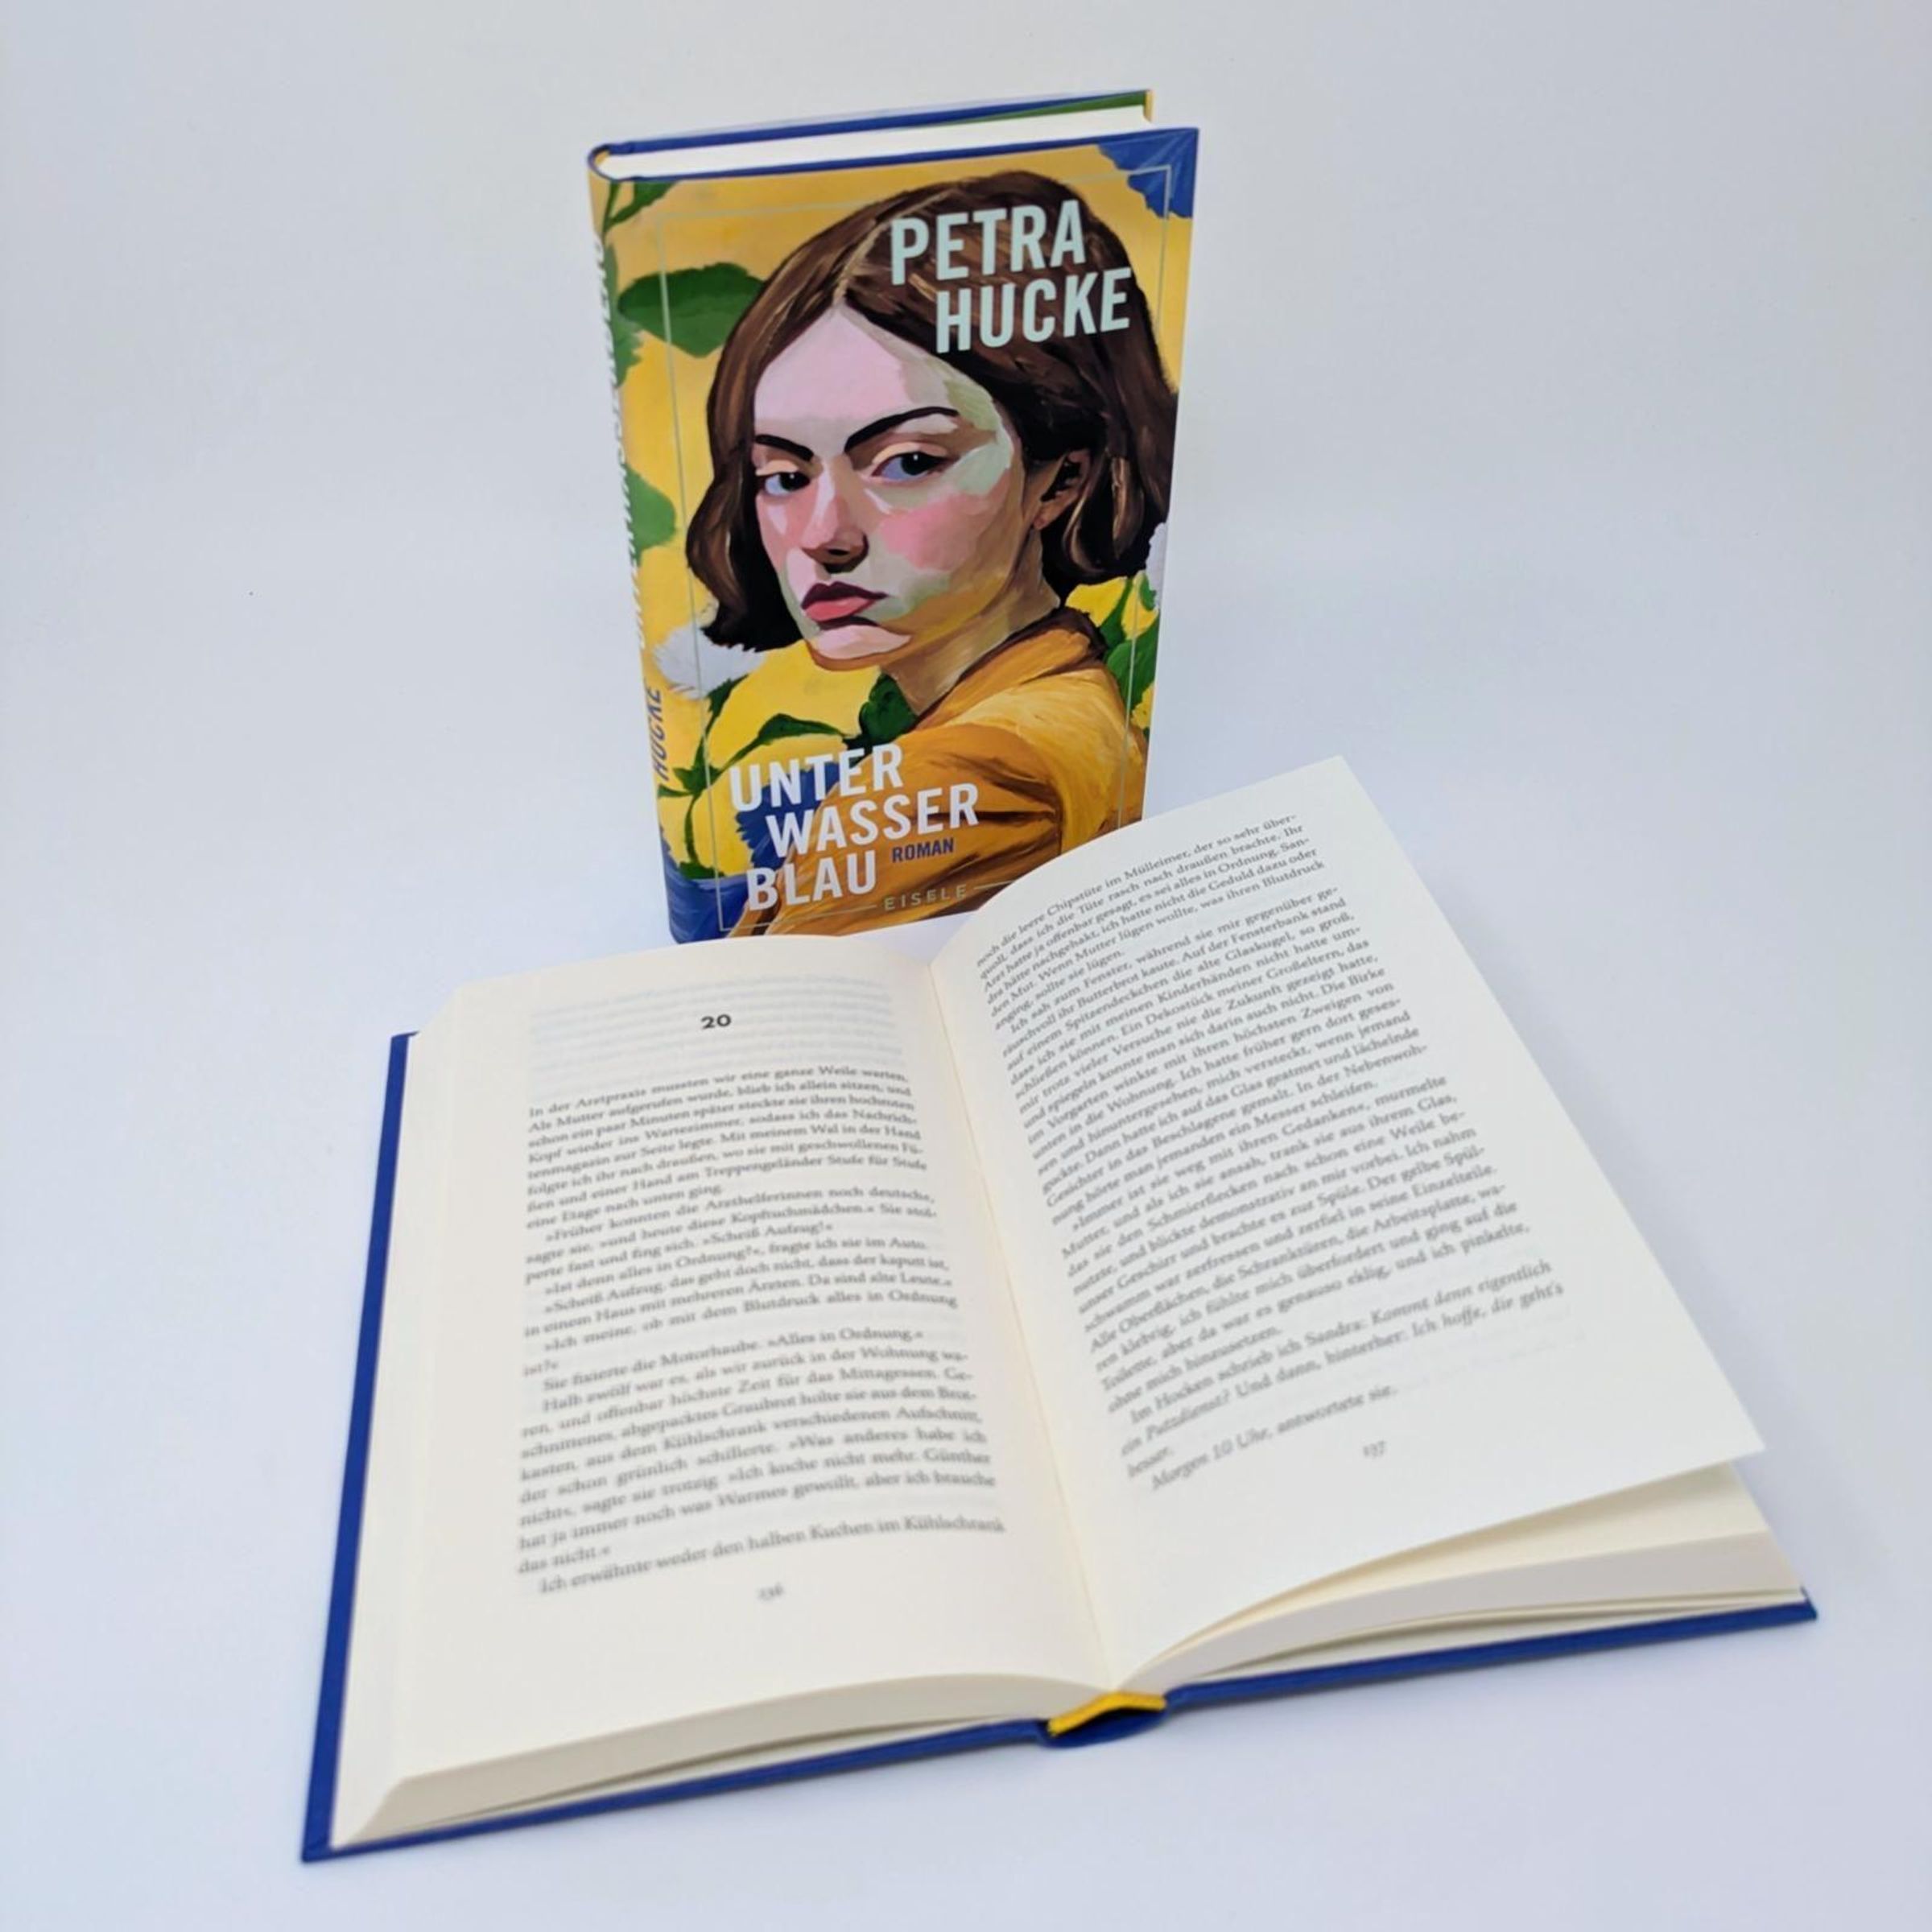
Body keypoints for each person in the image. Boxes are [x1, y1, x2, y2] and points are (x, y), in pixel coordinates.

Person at [684, 170, 1178, 934]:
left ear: (1061, 479)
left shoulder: (972, 775)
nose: (825, 536)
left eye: (908, 462)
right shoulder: (1057, 711)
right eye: (784, 476)